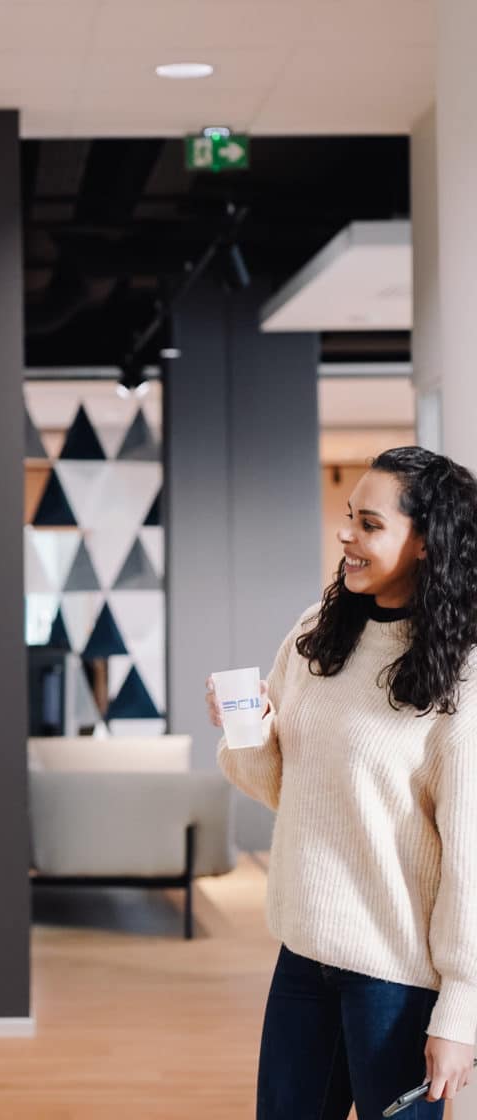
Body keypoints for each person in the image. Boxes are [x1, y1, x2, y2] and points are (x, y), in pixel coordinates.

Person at [206, 447, 477, 1120]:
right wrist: (249, 731)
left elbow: (471, 861)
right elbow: (289, 793)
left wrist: (460, 1015)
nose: (347, 535)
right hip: (302, 955)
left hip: (396, 979)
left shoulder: (462, 676)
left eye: (370, 524)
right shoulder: (315, 633)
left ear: (424, 544)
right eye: (349, 518)